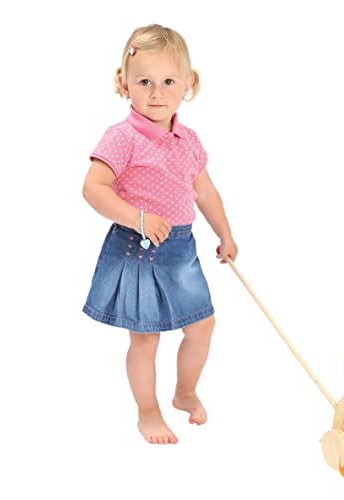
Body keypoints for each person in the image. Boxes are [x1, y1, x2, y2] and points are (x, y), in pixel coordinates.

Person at [82, 24, 238, 445]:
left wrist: (225, 233)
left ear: (188, 84)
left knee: (202, 325)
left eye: (168, 81)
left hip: (181, 250)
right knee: (145, 337)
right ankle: (147, 411)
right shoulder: (122, 138)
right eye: (144, 82)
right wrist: (137, 217)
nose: (156, 93)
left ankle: (185, 392)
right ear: (124, 83)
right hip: (139, 250)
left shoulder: (188, 139)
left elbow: (205, 191)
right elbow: (93, 188)